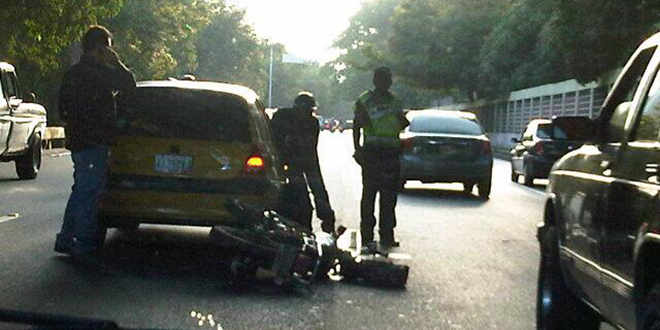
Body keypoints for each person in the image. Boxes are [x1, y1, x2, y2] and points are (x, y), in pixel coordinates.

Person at [54, 25, 136, 262]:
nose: (110, 53)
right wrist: (117, 63)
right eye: (108, 48)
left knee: (80, 189)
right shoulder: (99, 73)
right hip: (95, 141)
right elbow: (129, 86)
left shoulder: (74, 73)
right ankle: (83, 244)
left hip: (79, 140)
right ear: (100, 48)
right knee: (89, 193)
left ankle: (67, 238)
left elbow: (63, 108)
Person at [353, 67, 409, 252]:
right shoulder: (371, 101)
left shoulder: (388, 101)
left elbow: (401, 123)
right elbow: (357, 124)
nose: (388, 82)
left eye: (388, 79)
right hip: (379, 153)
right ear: (377, 80)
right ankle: (375, 235)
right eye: (386, 79)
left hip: (383, 153)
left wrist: (358, 149)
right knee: (376, 195)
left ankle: (379, 234)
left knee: (381, 195)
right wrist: (358, 149)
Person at [270, 92, 336, 233]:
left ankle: (327, 222)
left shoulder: (312, 123)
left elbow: (311, 149)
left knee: (319, 191)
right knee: (298, 196)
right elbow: (273, 141)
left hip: (306, 160)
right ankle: (300, 222)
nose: (305, 114)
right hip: (285, 161)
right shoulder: (282, 118)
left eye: (308, 111)